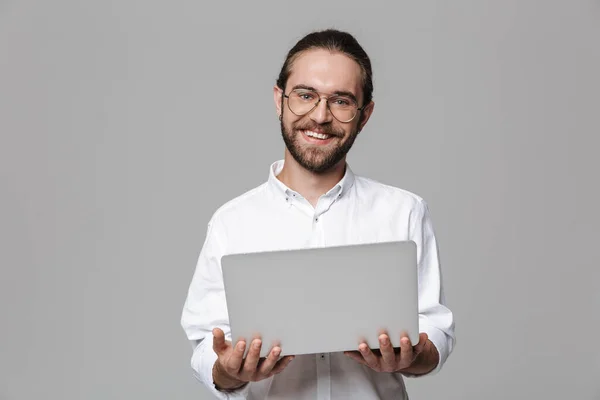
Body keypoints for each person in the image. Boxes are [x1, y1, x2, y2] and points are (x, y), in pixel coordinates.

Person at [180, 28, 455, 399]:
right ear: (280, 100)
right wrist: (228, 371)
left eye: (341, 101)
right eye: (305, 95)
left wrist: (412, 355)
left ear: (365, 114)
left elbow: (435, 331)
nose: (320, 116)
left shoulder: (404, 212)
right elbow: (205, 348)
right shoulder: (231, 222)